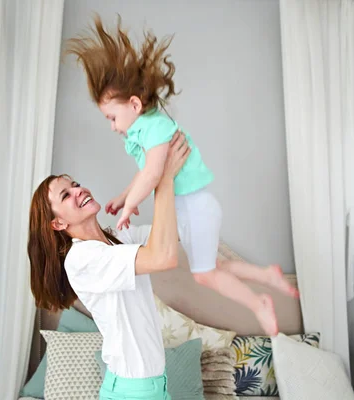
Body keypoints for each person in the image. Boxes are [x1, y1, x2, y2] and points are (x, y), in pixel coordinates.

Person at [66, 16, 298, 336]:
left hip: (197, 207)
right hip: (193, 209)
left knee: (204, 275)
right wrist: (123, 196)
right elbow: (145, 172)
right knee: (212, 269)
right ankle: (266, 276)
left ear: (134, 104)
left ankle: (259, 303)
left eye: (112, 117)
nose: (112, 126)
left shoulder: (156, 127)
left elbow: (152, 173)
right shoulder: (146, 130)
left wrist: (132, 204)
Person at [28, 132, 190, 400]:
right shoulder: (82, 260)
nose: (79, 190)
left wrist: (143, 184)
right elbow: (162, 257)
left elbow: (175, 233)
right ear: (58, 224)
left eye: (76, 184)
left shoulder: (118, 239)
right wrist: (163, 179)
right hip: (134, 391)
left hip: (151, 386)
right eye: (66, 195)